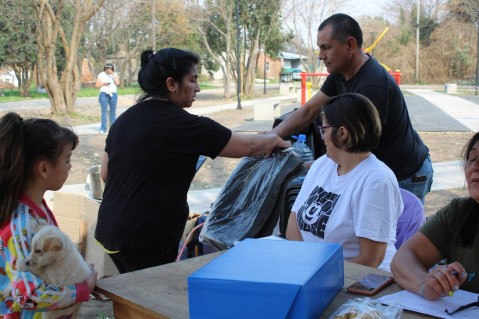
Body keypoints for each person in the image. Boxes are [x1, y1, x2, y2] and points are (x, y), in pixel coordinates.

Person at [94, 48, 291, 274]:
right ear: (171, 84)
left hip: (111, 232)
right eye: (193, 80)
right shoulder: (184, 125)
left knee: (133, 295)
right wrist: (275, 140)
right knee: (154, 300)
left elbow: (106, 173)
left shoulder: (125, 119)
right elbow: (248, 146)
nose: (197, 88)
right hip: (147, 237)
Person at [271, 13, 433, 204]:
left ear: (349, 45)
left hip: (404, 175)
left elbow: (354, 152)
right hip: (378, 169)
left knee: (390, 233)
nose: (321, 56)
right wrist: (272, 136)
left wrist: (297, 167)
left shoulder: (372, 86)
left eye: (326, 48)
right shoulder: (341, 73)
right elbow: (308, 111)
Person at [286, 93, 403, 272]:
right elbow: (294, 219)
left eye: (323, 130)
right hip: (314, 272)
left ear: (342, 133)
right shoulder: (323, 164)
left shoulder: (376, 181)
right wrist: (303, 264)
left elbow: (371, 260)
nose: (322, 136)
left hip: (359, 281)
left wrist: (314, 273)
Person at [0, 112, 98, 317]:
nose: (70, 166)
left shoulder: (36, 209)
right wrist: (83, 288)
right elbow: (28, 295)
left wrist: (77, 272)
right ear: (44, 169)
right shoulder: (24, 224)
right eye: (67, 159)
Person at [391, 132, 479, 299]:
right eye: (472, 158)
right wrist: (425, 284)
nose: (475, 166)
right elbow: (403, 258)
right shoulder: (459, 213)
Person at [95, 63, 120, 134]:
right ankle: (103, 128)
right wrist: (103, 84)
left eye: (110, 69)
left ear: (112, 69)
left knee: (113, 112)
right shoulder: (101, 75)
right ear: (105, 68)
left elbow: (118, 83)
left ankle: (114, 129)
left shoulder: (114, 74)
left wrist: (113, 74)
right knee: (104, 112)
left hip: (113, 94)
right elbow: (96, 86)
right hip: (103, 94)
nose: (108, 70)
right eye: (107, 68)